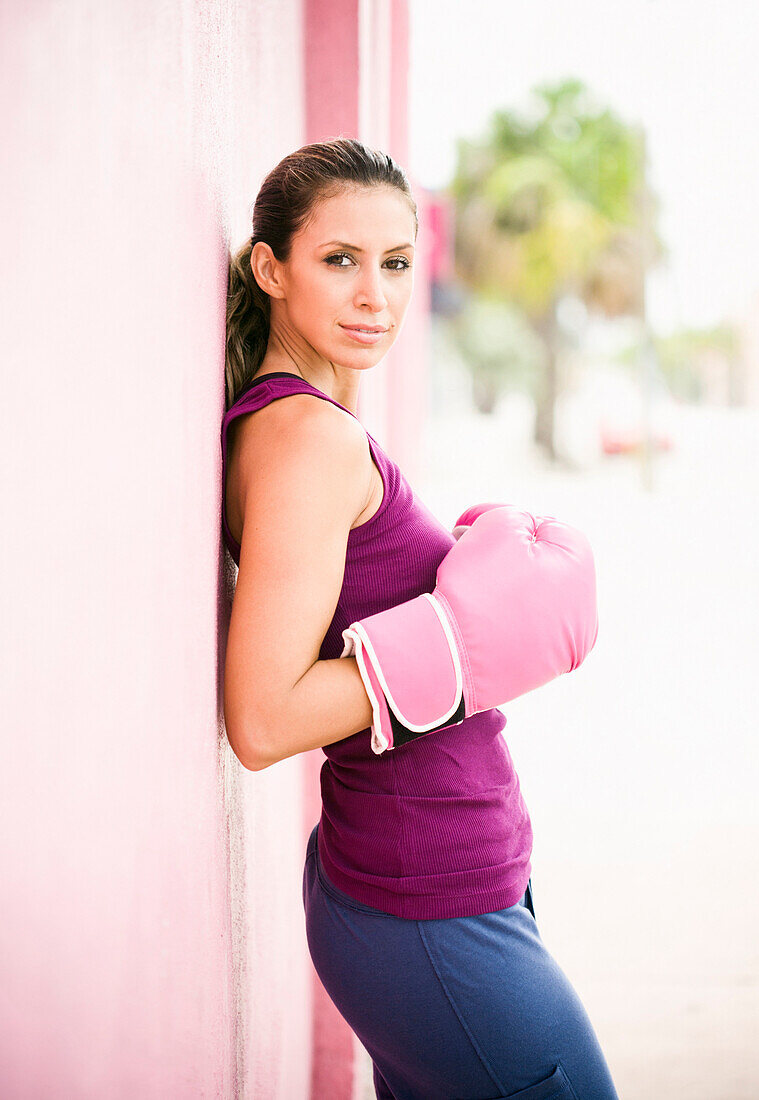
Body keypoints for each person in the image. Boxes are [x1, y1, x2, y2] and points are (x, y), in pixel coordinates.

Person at [221, 138, 620, 1100]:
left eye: (395, 263)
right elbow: (262, 719)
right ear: (271, 269)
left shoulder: (309, 423)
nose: (375, 295)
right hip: (427, 907)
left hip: (430, 883)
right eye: (339, 260)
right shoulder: (307, 439)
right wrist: (460, 639)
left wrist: (457, 637)